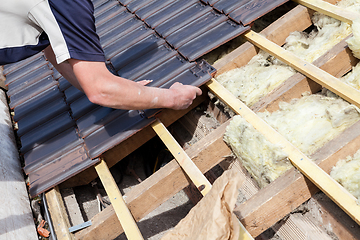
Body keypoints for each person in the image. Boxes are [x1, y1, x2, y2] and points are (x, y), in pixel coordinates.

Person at [0, 0, 202, 110]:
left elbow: (54, 47)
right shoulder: (66, 4)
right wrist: (173, 98)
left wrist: (123, 92)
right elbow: (100, 91)